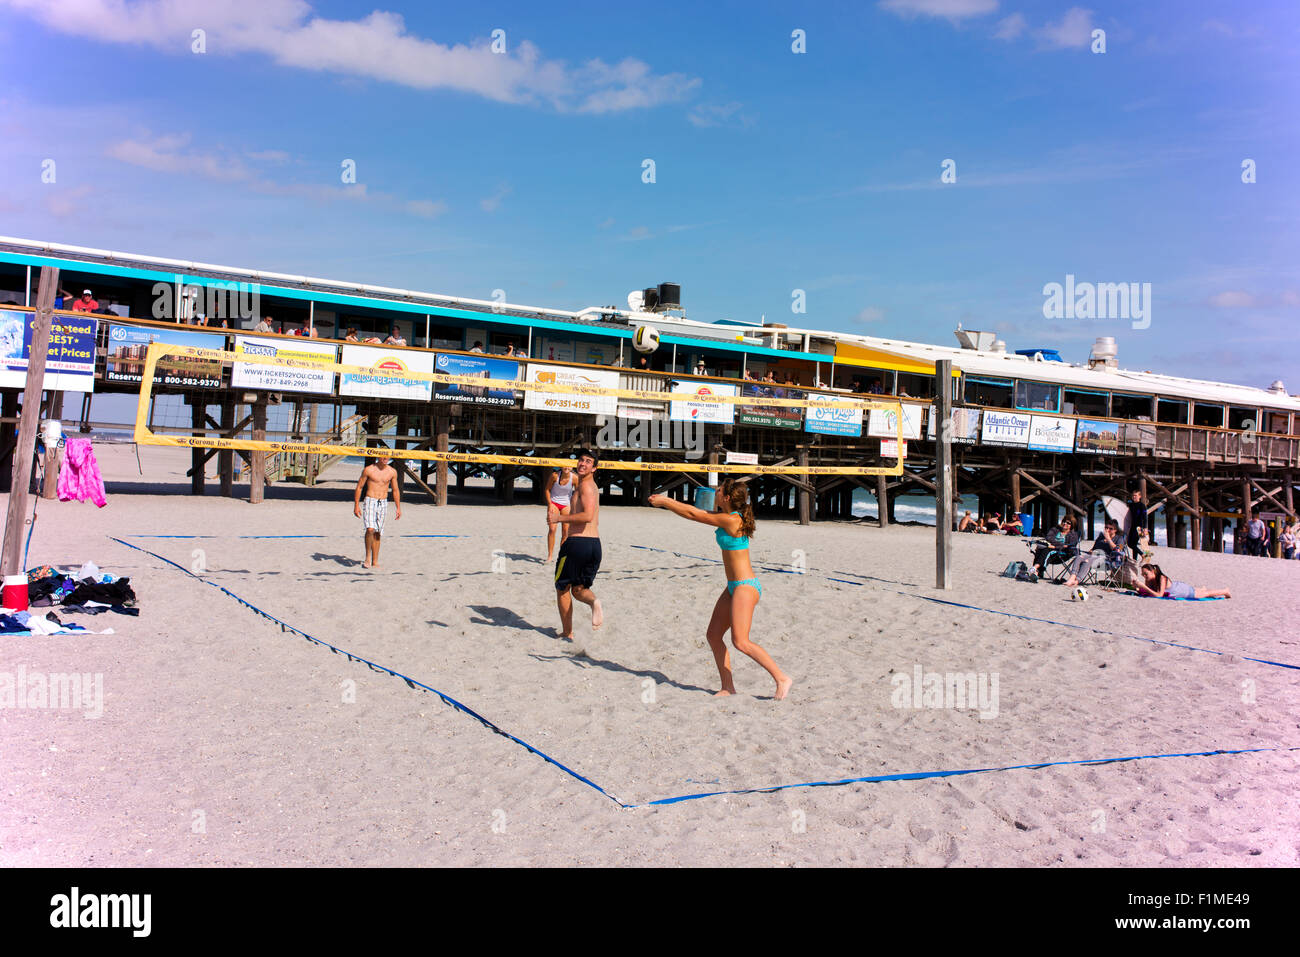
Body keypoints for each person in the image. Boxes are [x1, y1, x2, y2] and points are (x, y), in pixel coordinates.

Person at [648, 480, 792, 700]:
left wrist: (666, 501)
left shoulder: (732, 520)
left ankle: (782, 678)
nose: (715, 491)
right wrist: (668, 503)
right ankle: (728, 687)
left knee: (741, 641)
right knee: (713, 635)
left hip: (746, 586)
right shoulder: (727, 516)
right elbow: (694, 511)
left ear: (726, 497)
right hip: (733, 586)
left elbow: (694, 516)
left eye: (719, 490)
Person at [548, 449, 603, 639]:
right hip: (594, 545)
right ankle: (594, 602)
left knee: (562, 587)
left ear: (594, 468)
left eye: (588, 462)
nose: (582, 464)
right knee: (579, 590)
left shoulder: (586, 487)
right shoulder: (588, 486)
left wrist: (559, 518)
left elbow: (587, 516)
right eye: (581, 460)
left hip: (577, 543)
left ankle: (567, 632)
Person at [353, 454, 401, 569]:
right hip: (370, 500)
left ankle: (375, 561)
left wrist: (398, 507)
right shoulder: (369, 470)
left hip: (383, 502)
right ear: (378, 457)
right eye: (383, 456)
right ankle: (368, 557)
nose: (385, 458)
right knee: (370, 529)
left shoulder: (392, 472)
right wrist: (356, 505)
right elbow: (359, 487)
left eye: (387, 457)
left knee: (378, 532)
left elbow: (395, 490)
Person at [1064, 521, 1123, 588]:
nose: (1107, 530)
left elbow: (1117, 550)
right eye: (1106, 528)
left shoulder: (1119, 538)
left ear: (1115, 530)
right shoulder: (1101, 536)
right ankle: (1072, 577)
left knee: (1088, 561)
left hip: (1107, 560)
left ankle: (1077, 580)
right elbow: (1094, 548)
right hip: (1095, 555)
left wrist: (1108, 539)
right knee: (1079, 557)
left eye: (1110, 528)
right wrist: (1091, 551)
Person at [1137, 563, 1231, 600]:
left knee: (1206, 594)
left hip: (1183, 591)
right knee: (1199, 591)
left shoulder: (1162, 578)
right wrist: (1138, 587)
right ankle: (1201, 588)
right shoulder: (1149, 580)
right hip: (1178, 587)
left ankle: (1225, 591)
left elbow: (1159, 595)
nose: (1144, 576)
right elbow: (1149, 592)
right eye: (1143, 574)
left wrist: (1143, 587)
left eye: (1146, 574)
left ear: (1153, 572)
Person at [544, 465, 576, 562]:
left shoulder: (574, 478)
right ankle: (550, 556)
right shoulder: (554, 476)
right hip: (554, 502)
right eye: (564, 465)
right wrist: (549, 504)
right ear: (561, 466)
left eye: (569, 466)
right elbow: (547, 490)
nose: (566, 467)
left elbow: (578, 492)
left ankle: (562, 555)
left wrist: (574, 505)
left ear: (572, 467)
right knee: (552, 529)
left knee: (565, 532)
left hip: (566, 504)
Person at [1126, 489, 1147, 559]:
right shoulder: (1131, 505)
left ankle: (1142, 554)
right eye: (1133, 495)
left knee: (1131, 544)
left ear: (1140, 496)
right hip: (1132, 526)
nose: (1134, 497)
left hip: (1139, 528)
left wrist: (1145, 528)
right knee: (1131, 543)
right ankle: (1135, 559)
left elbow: (1145, 517)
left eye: (1135, 495)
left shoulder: (1142, 506)